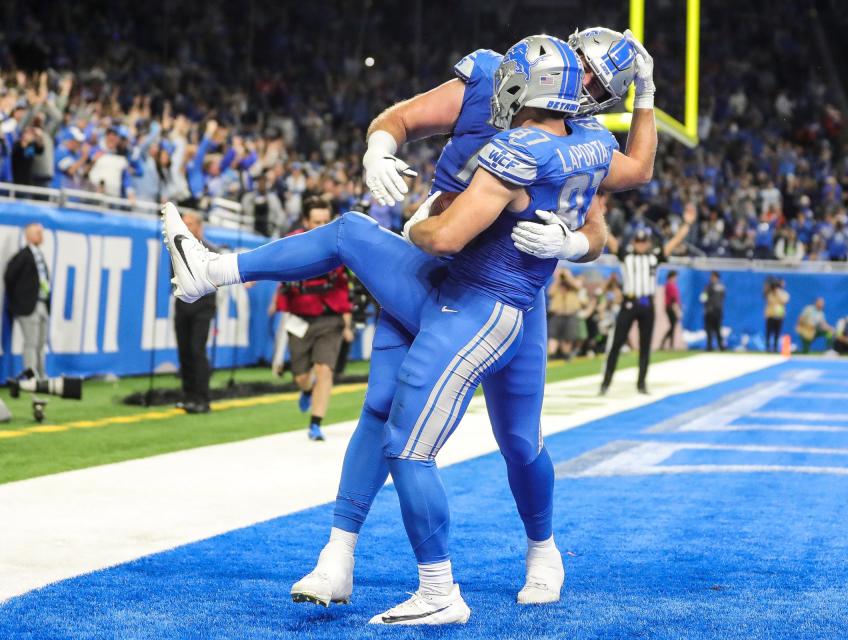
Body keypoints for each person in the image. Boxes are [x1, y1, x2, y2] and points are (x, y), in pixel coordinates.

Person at [163, 32, 650, 626]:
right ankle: (338, 555)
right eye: (590, 80)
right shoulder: (490, 85)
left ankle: (541, 550)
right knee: (382, 408)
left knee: (517, 440)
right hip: (433, 275)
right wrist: (377, 151)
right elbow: (399, 119)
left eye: (603, 91)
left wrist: (572, 244)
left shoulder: (575, 137)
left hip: (495, 290)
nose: (590, 96)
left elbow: (602, 216)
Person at [275, 195, 354, 440]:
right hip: (299, 316)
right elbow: (271, 263)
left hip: (330, 317)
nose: (321, 226)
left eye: (325, 220)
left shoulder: (341, 243)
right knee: (301, 377)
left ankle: (316, 423)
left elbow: (349, 281)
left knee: (324, 369)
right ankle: (306, 391)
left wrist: (348, 321)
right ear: (305, 221)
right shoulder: (291, 242)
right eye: (315, 221)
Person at [600, 205, 693, 395]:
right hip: (629, 302)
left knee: (645, 346)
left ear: (648, 243)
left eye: (644, 241)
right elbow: (610, 241)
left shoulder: (654, 257)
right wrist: (597, 218)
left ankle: (641, 383)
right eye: (638, 241)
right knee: (617, 344)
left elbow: (674, 242)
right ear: (634, 242)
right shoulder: (626, 256)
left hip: (646, 304)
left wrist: (687, 225)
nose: (641, 244)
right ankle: (606, 382)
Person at [173, 213, 217, 413]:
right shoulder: (176, 251)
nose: (186, 227)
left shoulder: (210, 251)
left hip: (203, 308)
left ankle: (202, 398)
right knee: (184, 352)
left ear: (199, 228)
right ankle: (188, 395)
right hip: (182, 308)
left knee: (197, 351)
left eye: (189, 224)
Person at [4, 222, 50, 377]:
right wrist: (20, 299)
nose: (41, 236)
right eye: (38, 232)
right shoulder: (23, 256)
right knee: (31, 343)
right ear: (29, 236)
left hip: (42, 303)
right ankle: (31, 377)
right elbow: (9, 277)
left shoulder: (39, 255)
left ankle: (42, 376)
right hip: (29, 306)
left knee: (41, 344)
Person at [547, 268, 583, 359]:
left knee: (568, 337)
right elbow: (550, 293)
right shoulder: (556, 284)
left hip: (570, 314)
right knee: (553, 336)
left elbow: (578, 287)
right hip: (556, 315)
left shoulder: (574, 283)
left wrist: (568, 276)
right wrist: (558, 279)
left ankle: (566, 355)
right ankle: (552, 355)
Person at [702, 271, 726, 351]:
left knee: (710, 329)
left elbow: (703, 298)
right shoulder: (722, 287)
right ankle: (720, 346)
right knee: (717, 329)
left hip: (710, 310)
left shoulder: (708, 286)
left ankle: (710, 346)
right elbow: (723, 297)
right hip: (717, 310)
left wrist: (705, 305)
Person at [764, 277, 790, 352]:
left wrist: (778, 292)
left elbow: (784, 300)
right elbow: (768, 299)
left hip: (779, 315)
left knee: (777, 332)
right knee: (769, 332)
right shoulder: (770, 293)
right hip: (770, 315)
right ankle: (767, 347)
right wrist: (773, 291)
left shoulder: (784, 293)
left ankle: (775, 347)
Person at [660, 270, 681, 350]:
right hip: (671, 307)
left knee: (673, 326)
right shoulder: (669, 285)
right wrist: (676, 308)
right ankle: (668, 344)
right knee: (672, 326)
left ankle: (668, 344)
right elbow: (673, 298)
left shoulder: (672, 285)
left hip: (672, 306)